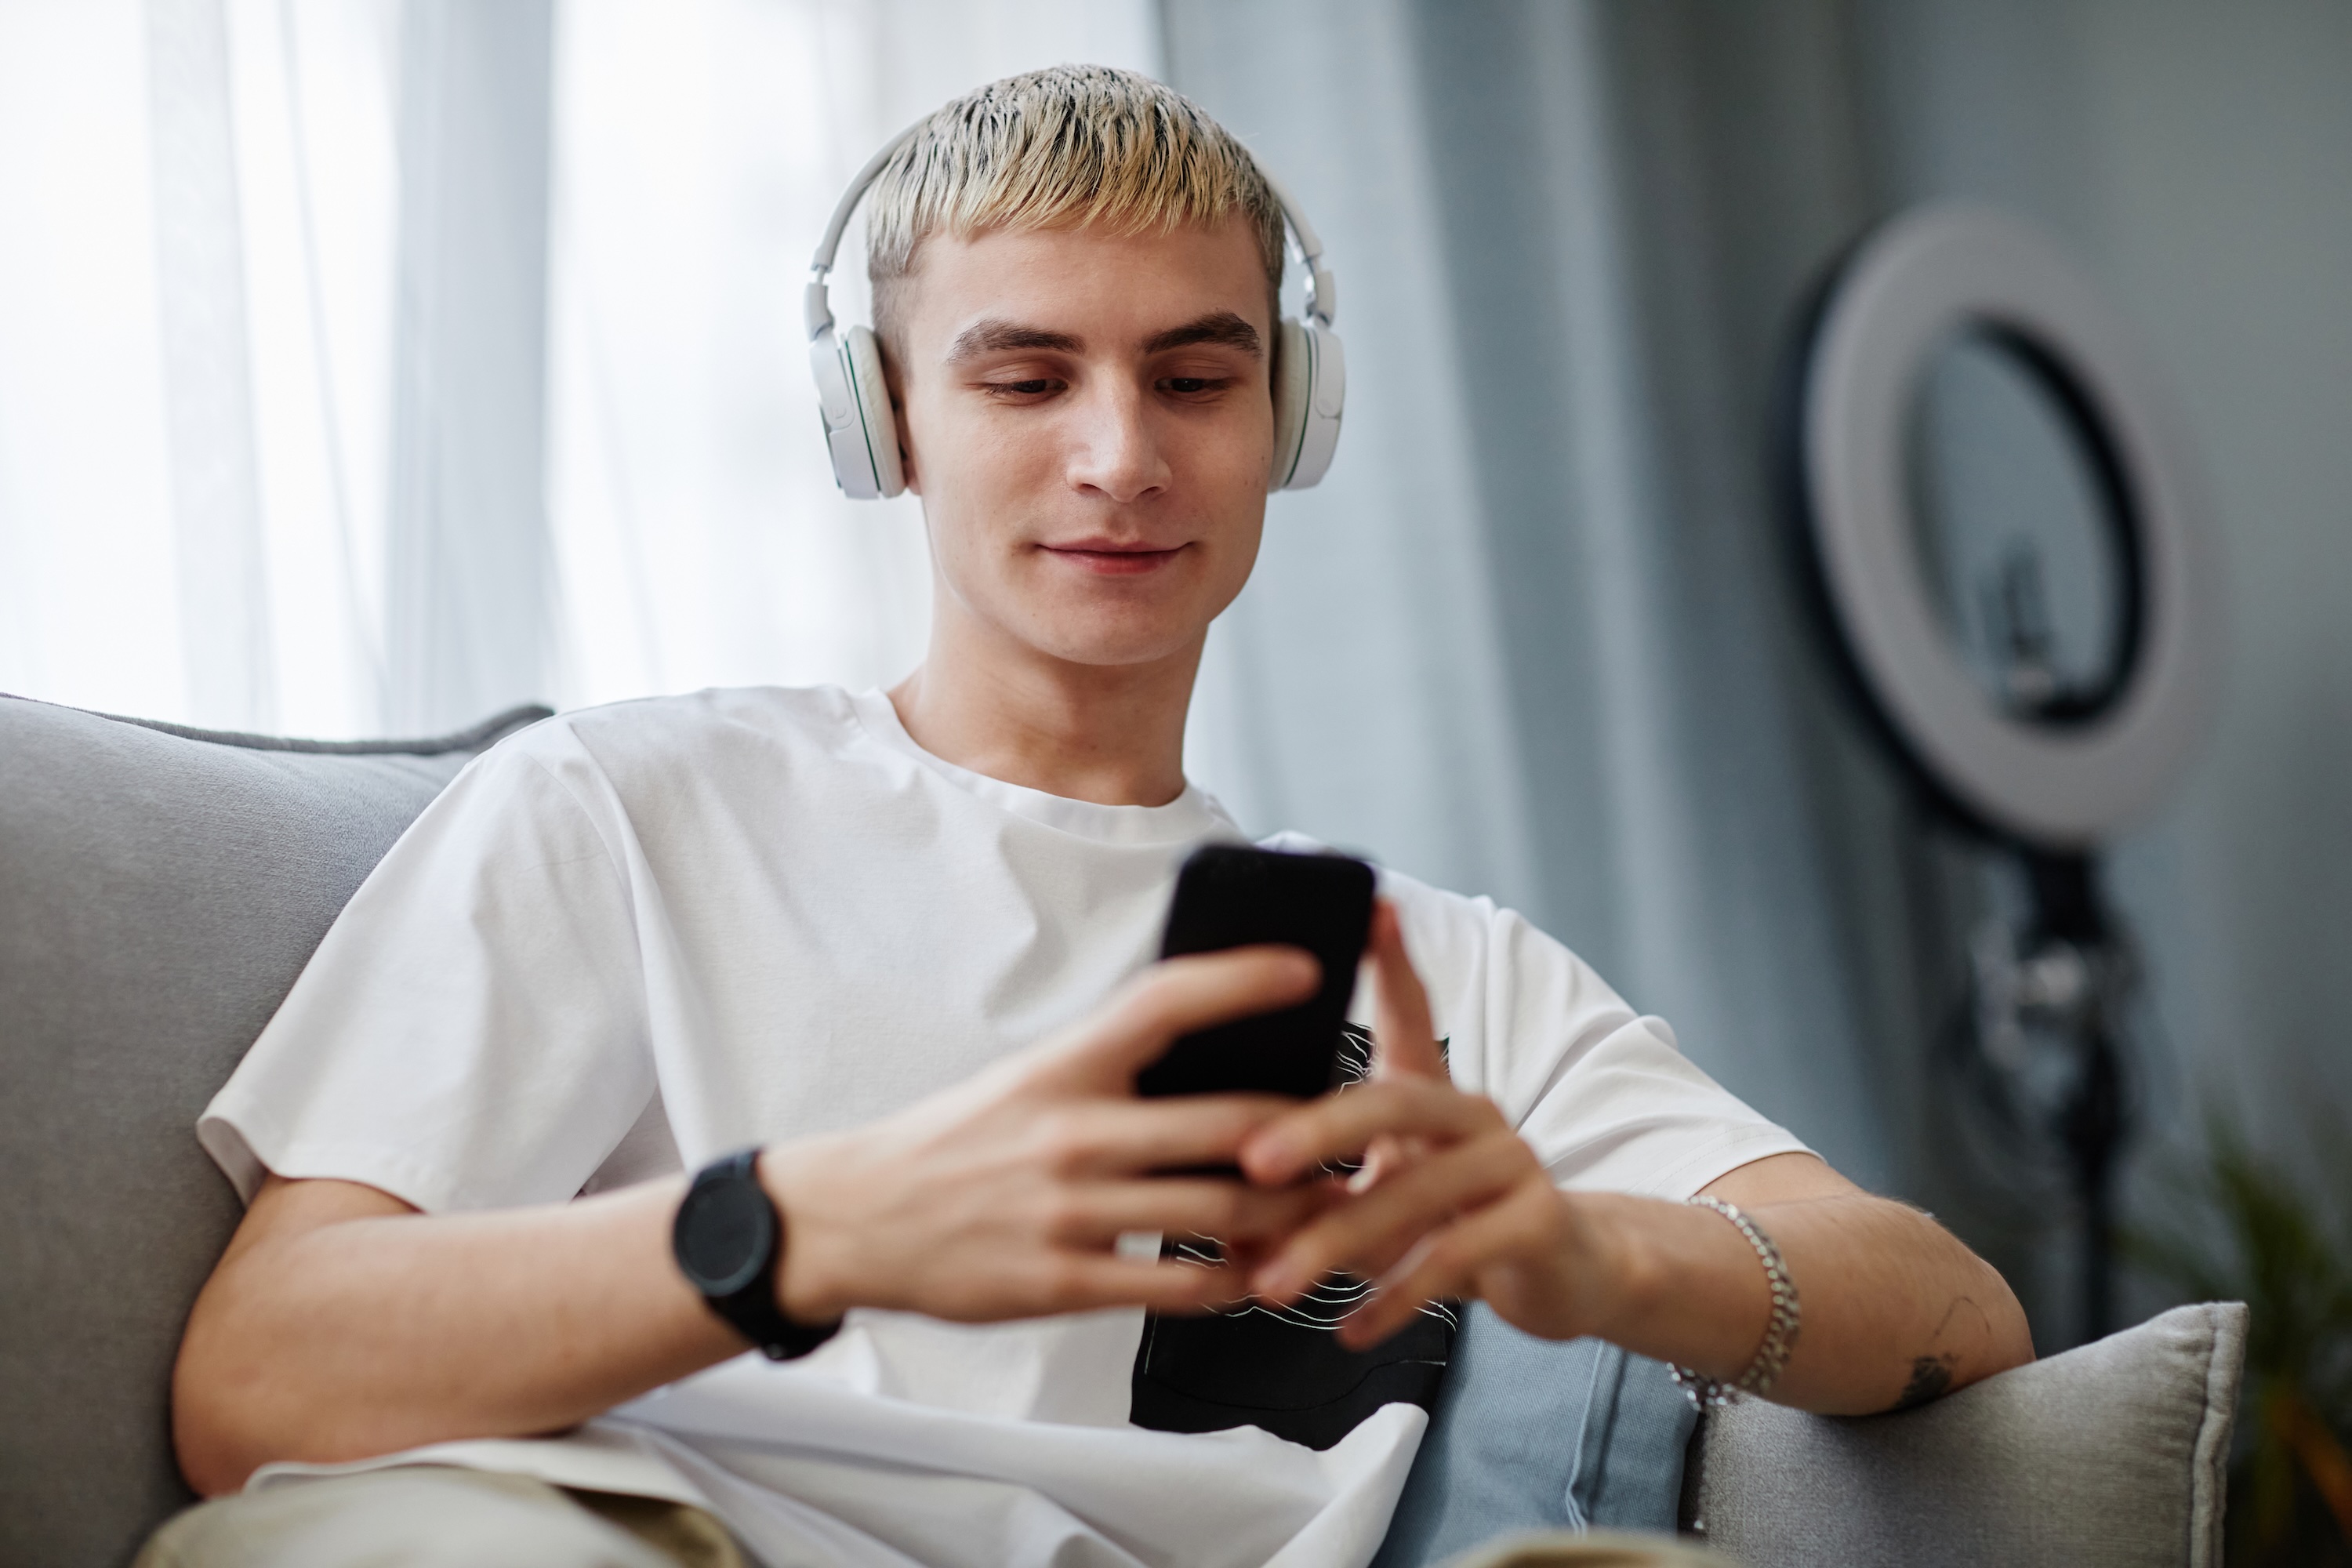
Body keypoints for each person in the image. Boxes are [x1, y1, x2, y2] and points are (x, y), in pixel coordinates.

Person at [143, 65, 2031, 1568]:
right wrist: (807, 1228)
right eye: (1026, 375)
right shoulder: (627, 809)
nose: (1120, 455)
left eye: (1197, 376)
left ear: (1292, 418)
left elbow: (1954, 1308)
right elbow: (259, 1379)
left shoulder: (1438, 971)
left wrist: (1592, 1259)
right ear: (880, 418)